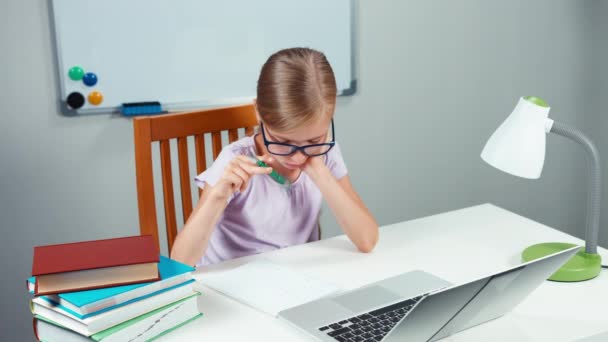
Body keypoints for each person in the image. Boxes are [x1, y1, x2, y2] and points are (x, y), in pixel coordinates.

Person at [171, 47, 378, 266]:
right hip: (232, 284)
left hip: (296, 280)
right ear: (258, 112)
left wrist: (322, 176)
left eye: (313, 141)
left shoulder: (325, 154)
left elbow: (367, 240)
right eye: (284, 142)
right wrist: (217, 196)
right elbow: (180, 261)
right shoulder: (235, 160)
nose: (298, 158)